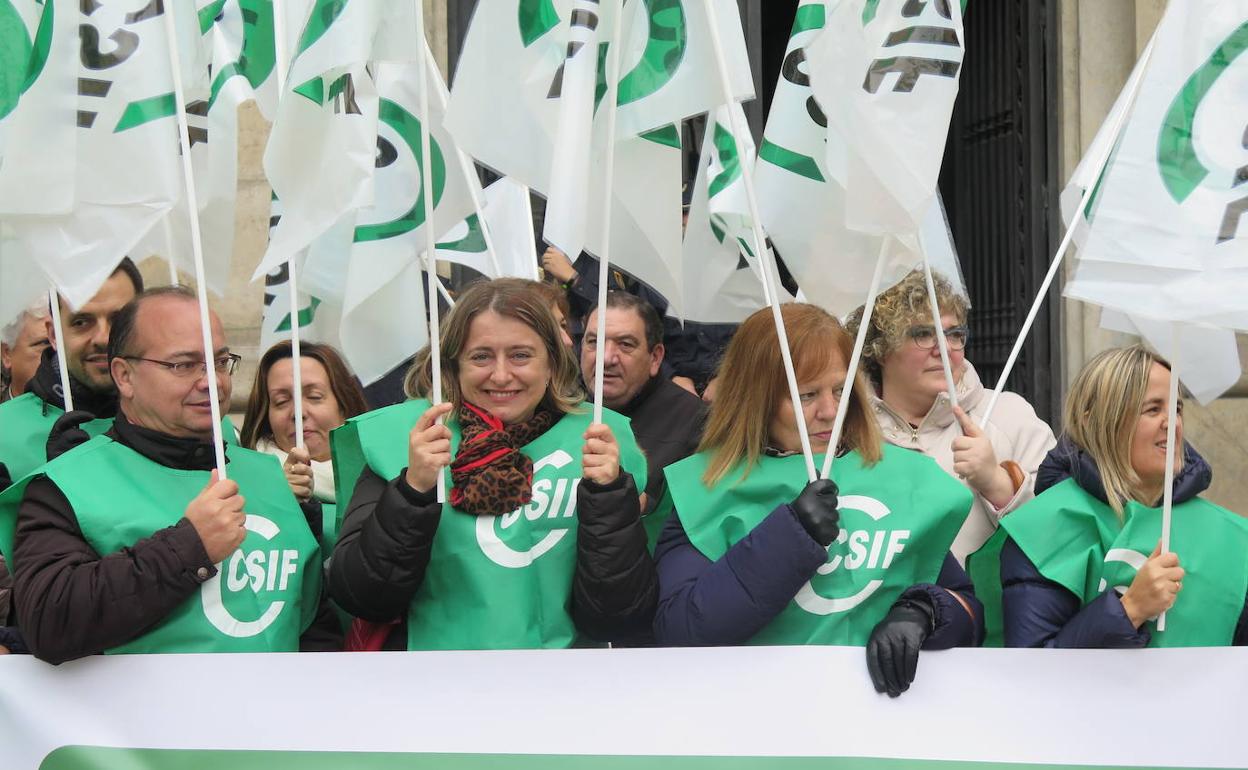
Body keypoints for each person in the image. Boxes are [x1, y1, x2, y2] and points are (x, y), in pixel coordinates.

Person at [653, 304, 982, 698]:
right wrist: (789, 537)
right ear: (755, 398)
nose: (830, 411)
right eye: (806, 395)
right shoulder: (708, 486)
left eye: (841, 390)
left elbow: (967, 610)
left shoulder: (897, 477)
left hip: (881, 732)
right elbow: (680, 630)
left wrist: (923, 613)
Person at [0, 287, 330, 663]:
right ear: (124, 376)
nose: (212, 381)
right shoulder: (63, 487)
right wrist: (188, 548)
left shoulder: (270, 474)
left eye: (220, 362)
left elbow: (312, 622)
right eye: (183, 365)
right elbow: (48, 621)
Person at [328, 278, 656, 650]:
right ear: (454, 366)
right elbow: (360, 596)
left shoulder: (600, 443)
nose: (501, 375)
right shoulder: (408, 440)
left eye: (520, 355)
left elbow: (622, 616)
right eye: (481, 356)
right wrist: (411, 490)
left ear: (551, 364)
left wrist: (609, 497)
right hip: (436, 690)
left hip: (562, 692)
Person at [982, 345, 1248, 648]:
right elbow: (1034, 673)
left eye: (1176, 409)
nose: (1171, 423)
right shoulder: (1045, 527)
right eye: (1152, 409)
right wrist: (1129, 609)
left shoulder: (1231, 537)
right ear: (1100, 421)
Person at [847, 269, 1055, 562]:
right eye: (922, 334)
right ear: (879, 349)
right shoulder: (845, 433)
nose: (944, 349)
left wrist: (998, 484)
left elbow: (1059, 539)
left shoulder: (1010, 417)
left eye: (954, 334)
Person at [0, 260, 143, 490]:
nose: (103, 338)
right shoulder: (3, 432)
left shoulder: (190, 422)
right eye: (82, 322)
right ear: (54, 334)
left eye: (119, 320)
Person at [580, 292, 705, 531]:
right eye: (594, 342)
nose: (606, 358)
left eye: (625, 344)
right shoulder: (561, 407)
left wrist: (640, 502)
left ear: (655, 357)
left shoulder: (695, 421)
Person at [240, 341, 369, 556]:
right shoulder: (241, 485)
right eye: (281, 401)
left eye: (314, 397)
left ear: (344, 405)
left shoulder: (383, 478)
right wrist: (277, 503)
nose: (297, 413)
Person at [1, 301, 50, 403]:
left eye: (63, 345)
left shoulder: (85, 414)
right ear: (7, 354)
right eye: (45, 343)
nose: (58, 356)